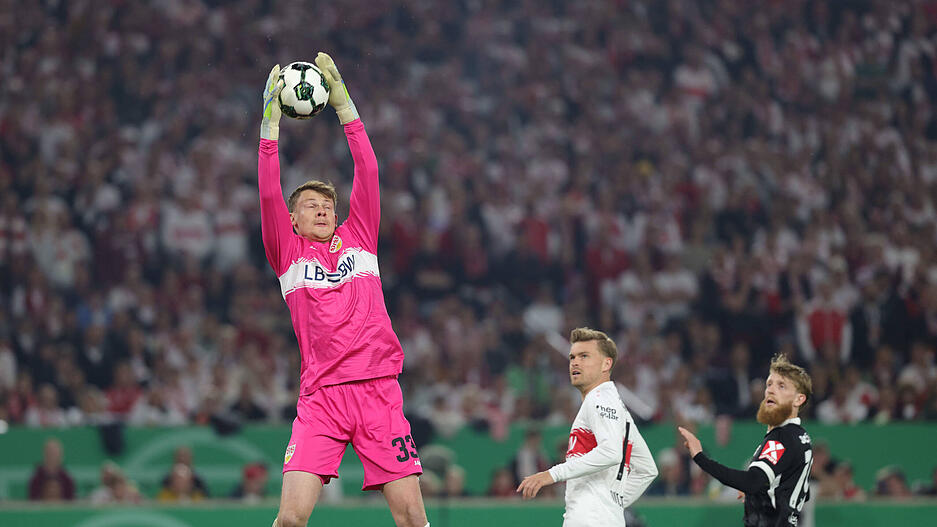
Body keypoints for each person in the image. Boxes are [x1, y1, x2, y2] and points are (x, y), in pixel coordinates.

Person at [258, 53, 428, 527]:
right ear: (292, 220)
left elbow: (368, 171)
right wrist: (270, 125)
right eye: (310, 205)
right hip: (322, 400)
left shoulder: (359, 237)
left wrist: (344, 107)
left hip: (378, 392)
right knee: (290, 519)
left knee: (413, 517)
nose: (322, 210)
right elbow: (269, 191)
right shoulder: (286, 254)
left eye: (327, 204)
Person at [517, 328, 658, 526]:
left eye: (584, 356)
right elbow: (647, 470)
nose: (575, 362)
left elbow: (611, 452)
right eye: (572, 357)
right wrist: (611, 504)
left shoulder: (599, 399)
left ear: (606, 363)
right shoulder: (621, 411)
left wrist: (551, 474)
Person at [678, 354, 814, 527]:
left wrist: (699, 457)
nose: (771, 390)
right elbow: (801, 490)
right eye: (769, 384)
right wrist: (758, 495)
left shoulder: (782, 437)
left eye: (781, 386)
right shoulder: (802, 436)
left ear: (798, 399)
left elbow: (752, 481)